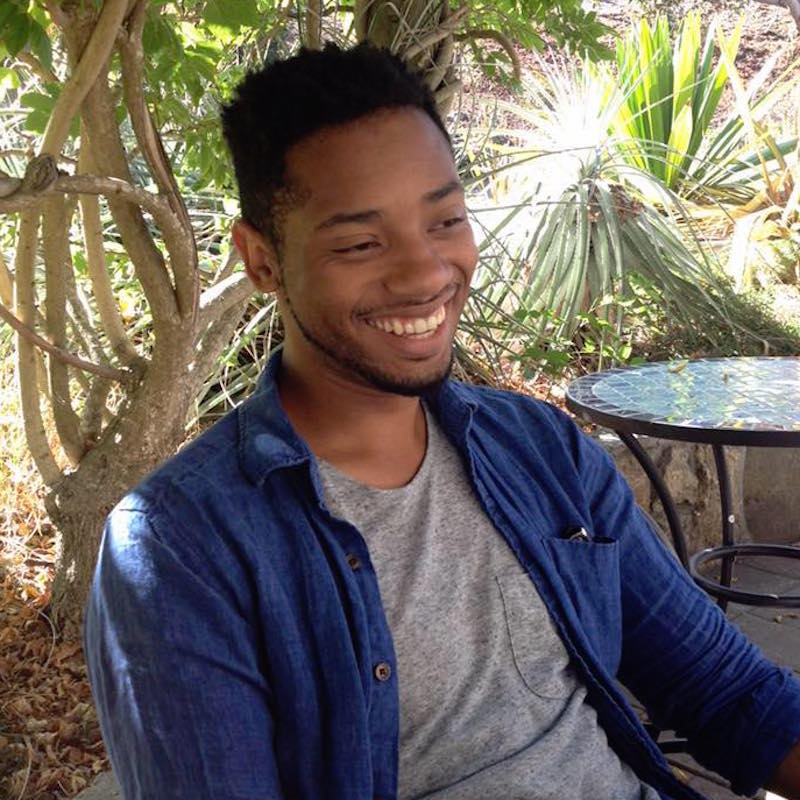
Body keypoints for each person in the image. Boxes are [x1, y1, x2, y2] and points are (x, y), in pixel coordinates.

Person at [83, 42, 800, 800]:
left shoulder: (540, 451)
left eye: (446, 219)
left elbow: (730, 693)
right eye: (361, 243)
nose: (426, 273)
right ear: (262, 260)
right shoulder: (184, 548)